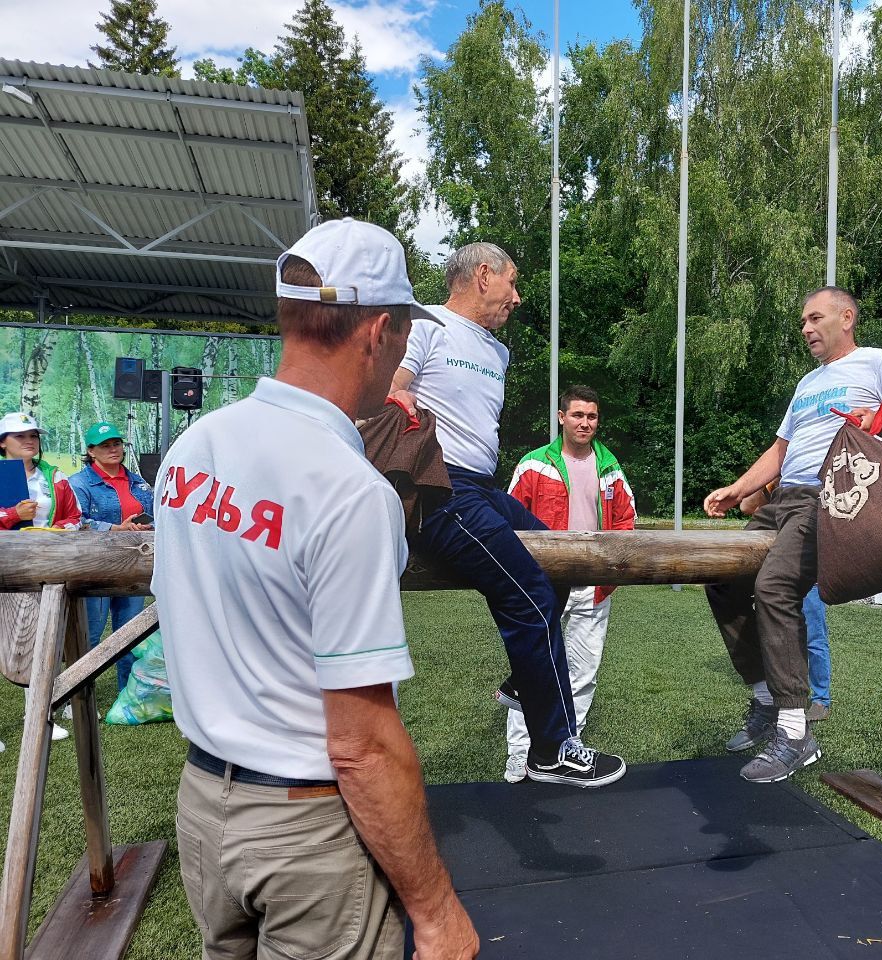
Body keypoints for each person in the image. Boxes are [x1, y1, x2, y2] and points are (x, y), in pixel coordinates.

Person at [152, 218, 477, 960]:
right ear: (378, 333)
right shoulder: (349, 493)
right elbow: (362, 746)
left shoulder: (193, 447)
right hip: (303, 831)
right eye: (400, 336)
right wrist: (435, 912)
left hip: (204, 805)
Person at [389, 242, 626, 788]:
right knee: (530, 594)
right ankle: (552, 750)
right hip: (437, 490)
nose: (517, 297)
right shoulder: (427, 325)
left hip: (481, 487)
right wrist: (397, 399)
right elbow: (391, 386)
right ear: (482, 275)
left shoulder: (497, 352)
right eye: (512, 283)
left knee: (564, 567)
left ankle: (526, 681)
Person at [703, 286, 882, 783]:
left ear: (846, 317)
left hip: (829, 498)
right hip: (783, 498)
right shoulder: (808, 383)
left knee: (774, 588)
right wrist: (738, 488)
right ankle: (767, 699)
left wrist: (879, 421)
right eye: (803, 323)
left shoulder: (878, 362)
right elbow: (780, 448)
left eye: (815, 319)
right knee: (719, 578)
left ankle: (794, 731)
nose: (806, 329)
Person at [501, 385, 636, 782]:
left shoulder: (610, 466)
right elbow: (508, 520)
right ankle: (519, 753)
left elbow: (626, 520)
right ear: (561, 417)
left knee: (583, 671)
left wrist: (611, 569)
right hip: (541, 588)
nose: (585, 423)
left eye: (592, 416)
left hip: (592, 587)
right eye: (577, 415)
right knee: (531, 670)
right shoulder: (533, 466)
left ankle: (565, 748)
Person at [1, 412, 83, 744]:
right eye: (20, 436)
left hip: (39, 568)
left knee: (39, 642)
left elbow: (75, 518)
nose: (29, 440)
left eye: (33, 435)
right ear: (3, 442)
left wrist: (50, 529)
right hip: (3, 566)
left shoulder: (55, 476)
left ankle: (40, 713)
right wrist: (11, 516)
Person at [68, 421, 154, 691]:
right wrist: (115, 528)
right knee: (91, 634)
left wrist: (147, 526)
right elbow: (75, 521)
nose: (113, 449)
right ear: (91, 451)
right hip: (96, 566)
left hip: (133, 565)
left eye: (116, 443)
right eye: (105, 445)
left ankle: (127, 694)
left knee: (131, 633)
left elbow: (156, 514)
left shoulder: (138, 482)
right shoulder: (79, 483)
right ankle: (77, 695)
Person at [740, 485, 832, 722]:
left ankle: (821, 700)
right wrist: (768, 484)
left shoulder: (812, 470)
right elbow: (746, 506)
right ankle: (777, 697)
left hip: (806, 567)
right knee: (778, 629)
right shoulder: (777, 476)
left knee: (814, 638)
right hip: (779, 563)